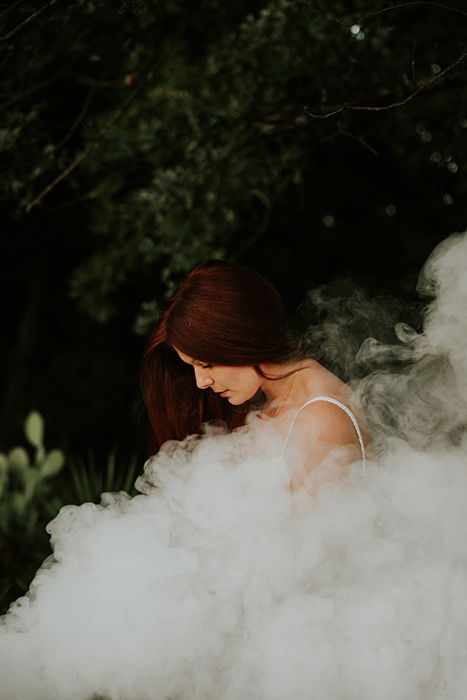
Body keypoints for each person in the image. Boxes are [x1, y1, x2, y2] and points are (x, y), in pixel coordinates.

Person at [141, 259, 368, 493]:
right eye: (193, 368)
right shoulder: (276, 402)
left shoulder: (320, 418)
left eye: (207, 364)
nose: (201, 382)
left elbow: (323, 528)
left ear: (244, 337)